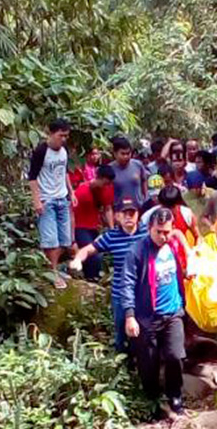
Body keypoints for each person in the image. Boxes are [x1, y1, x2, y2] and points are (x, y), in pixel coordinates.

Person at [122, 208, 188, 415]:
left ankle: (175, 395)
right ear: (149, 228)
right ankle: (152, 399)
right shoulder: (137, 251)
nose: (163, 236)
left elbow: (180, 271)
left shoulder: (174, 245)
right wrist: (130, 315)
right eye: (158, 231)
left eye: (167, 232)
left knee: (175, 355)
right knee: (148, 362)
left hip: (173, 312)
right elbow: (127, 284)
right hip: (147, 317)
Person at [70, 197, 148, 351]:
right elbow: (88, 249)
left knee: (145, 334)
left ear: (138, 215)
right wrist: (78, 259)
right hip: (120, 293)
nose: (128, 217)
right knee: (121, 333)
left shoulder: (146, 233)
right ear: (117, 216)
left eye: (132, 213)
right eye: (124, 214)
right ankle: (122, 368)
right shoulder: (111, 236)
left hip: (143, 291)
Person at [28, 118, 76, 289]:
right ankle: (53, 273)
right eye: (61, 135)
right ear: (51, 133)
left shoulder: (63, 151)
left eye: (66, 136)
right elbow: (32, 177)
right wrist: (36, 200)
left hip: (62, 198)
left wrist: (71, 192)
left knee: (65, 240)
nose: (63, 139)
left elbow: (64, 172)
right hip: (46, 199)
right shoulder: (41, 151)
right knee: (51, 241)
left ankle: (50, 268)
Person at [72, 165, 115, 280]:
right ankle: (90, 279)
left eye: (108, 184)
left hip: (94, 227)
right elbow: (71, 212)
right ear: (98, 178)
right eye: (105, 183)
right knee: (94, 255)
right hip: (80, 227)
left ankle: (92, 278)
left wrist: (112, 229)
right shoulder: (82, 191)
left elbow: (107, 208)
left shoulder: (107, 189)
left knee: (97, 254)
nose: (106, 186)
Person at [110, 136, 147, 204]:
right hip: (118, 210)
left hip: (138, 207)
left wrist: (145, 197)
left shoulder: (138, 165)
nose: (126, 157)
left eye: (128, 153)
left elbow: (144, 181)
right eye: (123, 154)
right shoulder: (109, 169)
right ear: (115, 154)